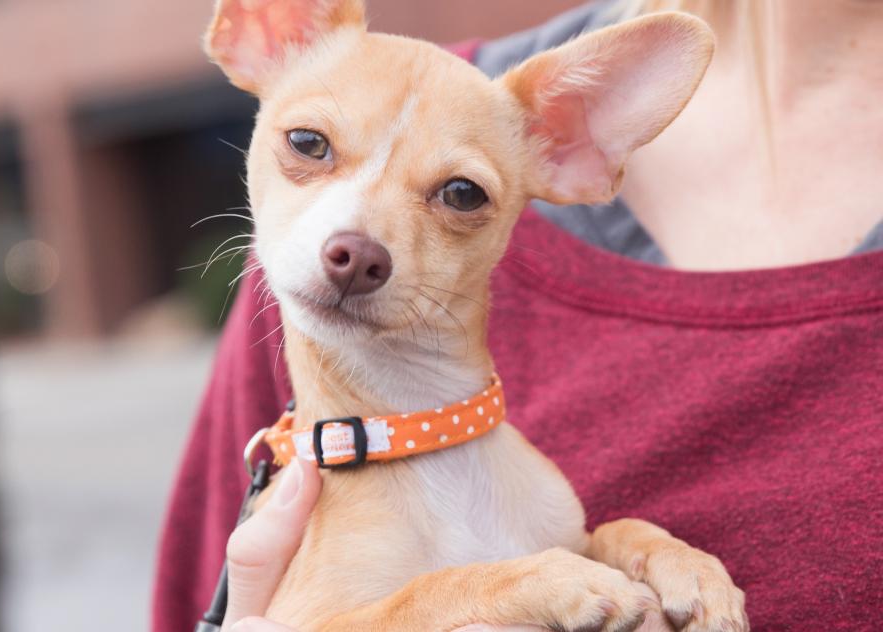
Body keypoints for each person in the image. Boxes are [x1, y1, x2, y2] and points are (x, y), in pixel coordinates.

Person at [152, 0, 883, 630]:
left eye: (459, 196)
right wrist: (513, 587)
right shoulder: (300, 467)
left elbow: (567, 561)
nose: (359, 243)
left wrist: (636, 548)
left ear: (574, 150)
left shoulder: (539, 496)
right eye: (309, 147)